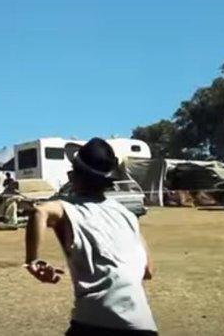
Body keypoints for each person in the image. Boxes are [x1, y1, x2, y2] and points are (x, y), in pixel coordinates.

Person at [25, 138, 157, 335]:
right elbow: (149, 270)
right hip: (142, 326)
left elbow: (39, 212)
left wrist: (32, 260)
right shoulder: (128, 215)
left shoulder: (68, 208)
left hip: (93, 321)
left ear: (74, 176)